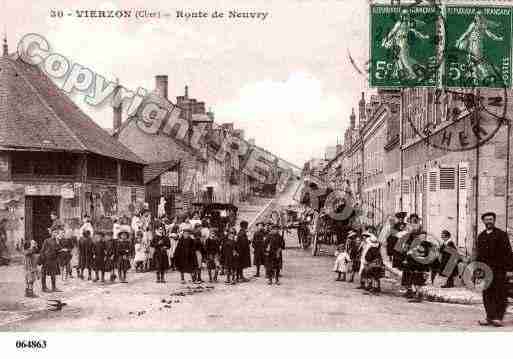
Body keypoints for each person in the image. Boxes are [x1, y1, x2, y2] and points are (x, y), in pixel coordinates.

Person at [474, 212, 513, 327]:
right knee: (487, 293)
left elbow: (508, 253)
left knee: (500, 293)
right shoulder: (481, 236)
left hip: (499, 270)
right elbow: (478, 254)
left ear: (494, 220)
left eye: (491, 219)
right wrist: (477, 269)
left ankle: (498, 317)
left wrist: (509, 269)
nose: (489, 221)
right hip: (485, 270)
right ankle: (489, 316)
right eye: (486, 220)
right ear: (483, 221)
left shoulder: (501, 235)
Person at [405, 232, 433, 303]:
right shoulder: (417, 244)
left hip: (421, 266)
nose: (422, 237)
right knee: (414, 281)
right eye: (421, 236)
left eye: (424, 236)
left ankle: (418, 296)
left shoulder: (427, 245)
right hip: (415, 265)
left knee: (418, 281)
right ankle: (417, 295)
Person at [40, 225, 63, 292]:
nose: (56, 234)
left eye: (56, 232)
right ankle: (44, 287)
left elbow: (59, 249)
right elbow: (42, 250)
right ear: (51, 233)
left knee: (53, 274)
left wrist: (58, 242)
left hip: (54, 259)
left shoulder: (57, 241)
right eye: (54, 232)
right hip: (46, 259)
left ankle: (54, 287)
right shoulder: (46, 240)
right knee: (44, 273)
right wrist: (42, 258)